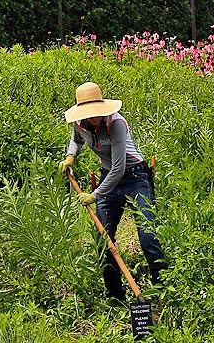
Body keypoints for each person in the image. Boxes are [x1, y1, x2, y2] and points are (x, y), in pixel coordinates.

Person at [59, 81, 167, 302]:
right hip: (108, 177)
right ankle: (115, 295)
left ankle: (162, 290)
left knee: (148, 235)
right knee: (103, 239)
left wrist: (95, 195)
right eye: (89, 112)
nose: (93, 116)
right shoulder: (80, 123)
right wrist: (71, 156)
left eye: (96, 112)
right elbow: (76, 141)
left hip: (135, 177)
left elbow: (118, 167)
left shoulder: (116, 123)